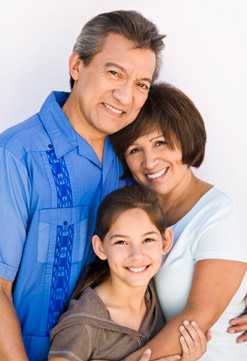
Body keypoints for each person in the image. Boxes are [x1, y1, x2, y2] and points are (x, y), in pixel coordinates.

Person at [0, 10, 165, 361]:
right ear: (77, 66)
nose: (125, 96)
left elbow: (174, 232)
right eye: (114, 73)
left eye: (141, 85)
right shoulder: (16, 154)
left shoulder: (133, 158)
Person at [111, 83, 247, 360]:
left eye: (160, 142)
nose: (149, 162)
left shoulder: (218, 215)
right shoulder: (135, 212)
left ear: (185, 139)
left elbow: (196, 318)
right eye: (135, 149)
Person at [48, 185, 207, 361]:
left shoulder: (155, 298)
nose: (137, 255)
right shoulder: (82, 325)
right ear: (100, 248)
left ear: (166, 240)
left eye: (148, 239)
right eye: (121, 242)